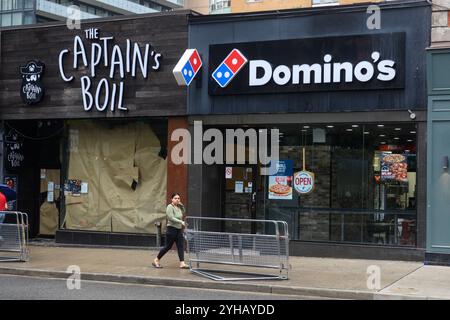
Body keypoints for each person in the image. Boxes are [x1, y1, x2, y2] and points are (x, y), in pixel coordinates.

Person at [152, 193, 189, 269]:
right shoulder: (169, 207)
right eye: (175, 198)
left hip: (178, 230)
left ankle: (182, 263)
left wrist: (180, 204)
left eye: (179, 198)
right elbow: (171, 217)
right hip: (171, 230)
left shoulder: (178, 207)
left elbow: (184, 211)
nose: (177, 200)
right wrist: (181, 222)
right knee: (167, 247)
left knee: (180, 246)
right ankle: (156, 260)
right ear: (171, 199)